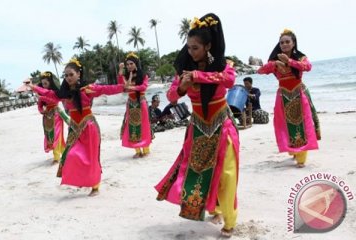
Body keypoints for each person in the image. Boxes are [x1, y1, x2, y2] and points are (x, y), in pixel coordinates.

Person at [155, 13, 240, 237]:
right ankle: (214, 208)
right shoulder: (184, 70)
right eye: (189, 47)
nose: (191, 52)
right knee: (198, 173)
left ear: (208, 46)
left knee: (227, 174)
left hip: (223, 124)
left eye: (196, 48)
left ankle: (230, 219)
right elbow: (172, 97)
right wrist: (182, 85)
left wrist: (198, 76)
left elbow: (229, 80)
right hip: (199, 128)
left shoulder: (224, 65)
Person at [29, 59, 125, 196]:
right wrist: (34, 87)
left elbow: (107, 89)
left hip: (89, 126)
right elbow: (49, 94)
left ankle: (95, 185)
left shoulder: (87, 89)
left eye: (71, 74)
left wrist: (122, 85)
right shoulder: (64, 93)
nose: (68, 78)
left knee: (91, 157)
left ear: (79, 74)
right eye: (66, 75)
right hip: (74, 127)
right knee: (71, 155)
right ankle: (83, 179)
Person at [258, 29, 321, 168]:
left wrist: (290, 61)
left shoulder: (300, 57)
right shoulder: (275, 59)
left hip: (299, 93)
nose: (284, 44)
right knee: (285, 125)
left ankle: (301, 157)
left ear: (293, 43)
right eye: (282, 42)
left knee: (302, 123)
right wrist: (274, 64)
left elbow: (308, 66)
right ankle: (293, 150)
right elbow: (261, 70)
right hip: (283, 95)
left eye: (287, 42)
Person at [118, 52, 152, 158]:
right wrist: (120, 71)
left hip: (141, 102)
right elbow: (121, 86)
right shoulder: (126, 76)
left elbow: (144, 87)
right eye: (127, 64)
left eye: (131, 64)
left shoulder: (143, 75)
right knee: (132, 126)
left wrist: (131, 88)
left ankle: (146, 149)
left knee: (144, 125)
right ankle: (137, 150)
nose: (129, 66)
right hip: (131, 104)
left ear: (136, 63)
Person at [36, 71, 68, 164]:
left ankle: (56, 157)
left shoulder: (55, 92)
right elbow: (39, 106)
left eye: (46, 83)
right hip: (47, 117)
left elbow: (53, 100)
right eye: (43, 84)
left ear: (50, 83)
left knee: (57, 135)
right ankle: (64, 152)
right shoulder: (41, 94)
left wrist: (41, 97)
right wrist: (42, 111)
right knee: (50, 136)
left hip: (57, 115)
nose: (44, 85)